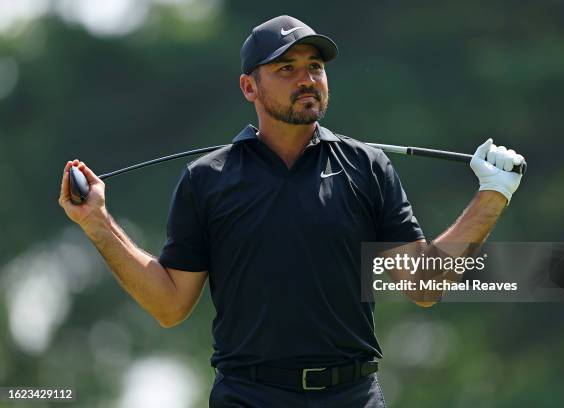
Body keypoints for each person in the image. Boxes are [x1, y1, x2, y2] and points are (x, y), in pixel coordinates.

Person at [58, 15, 525, 408]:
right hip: (248, 396)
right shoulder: (209, 179)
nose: (307, 79)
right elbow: (169, 304)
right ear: (249, 86)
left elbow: (424, 286)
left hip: (352, 395)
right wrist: (97, 223)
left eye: (315, 66)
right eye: (286, 68)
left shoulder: (366, 167)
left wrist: (492, 195)